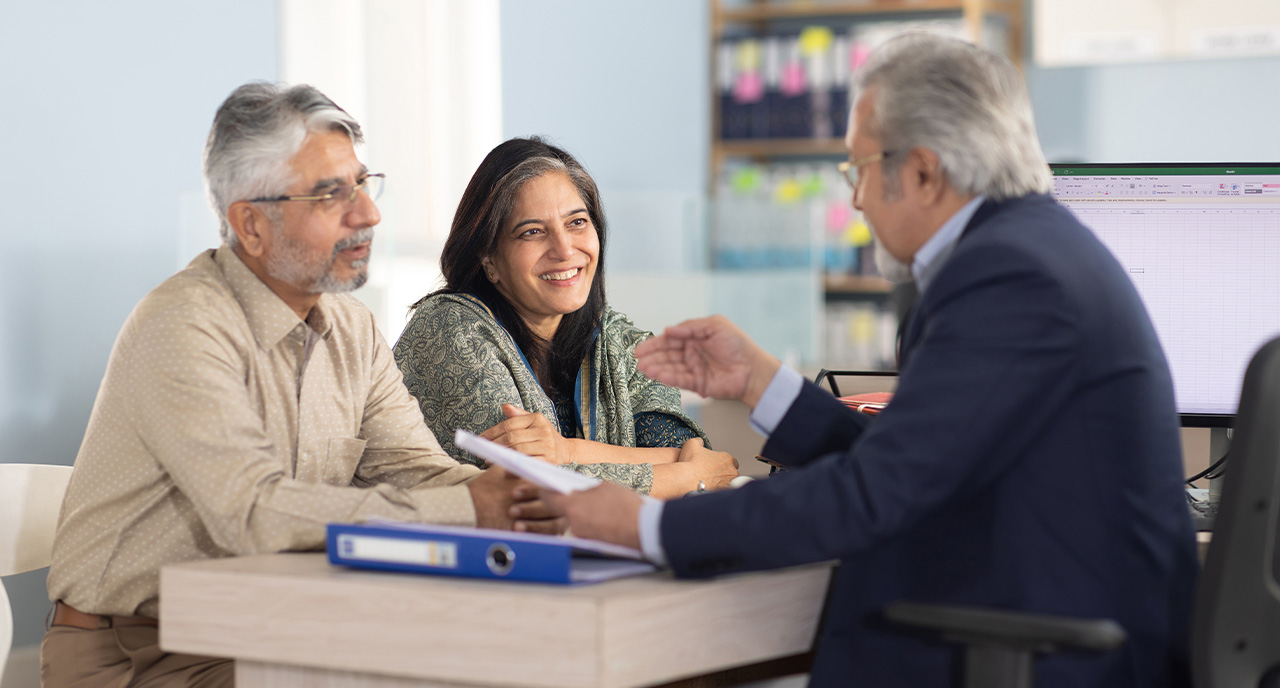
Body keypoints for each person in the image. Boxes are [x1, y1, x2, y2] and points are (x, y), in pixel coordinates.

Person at [537, 34, 1198, 687]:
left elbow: (874, 491)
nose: (854, 199)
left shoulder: (1008, 275)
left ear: (923, 171)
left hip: (1052, 651)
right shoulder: (1029, 248)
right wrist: (761, 383)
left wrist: (651, 525)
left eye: (858, 169)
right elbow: (915, 461)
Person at [41, 83, 561, 688]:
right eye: (331, 195)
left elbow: (419, 472)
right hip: (140, 652)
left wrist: (535, 504)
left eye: (363, 184)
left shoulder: (353, 328)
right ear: (251, 224)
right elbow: (253, 513)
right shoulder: (182, 325)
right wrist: (474, 506)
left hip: (272, 624)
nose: (368, 214)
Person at [393, 137, 738, 500]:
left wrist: (566, 450)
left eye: (576, 222)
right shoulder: (449, 330)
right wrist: (683, 477)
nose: (564, 249)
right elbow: (530, 487)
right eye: (532, 232)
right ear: (488, 257)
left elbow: (688, 451)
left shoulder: (621, 343)